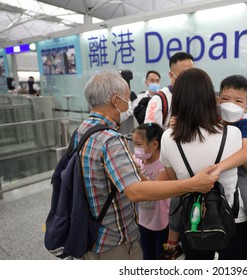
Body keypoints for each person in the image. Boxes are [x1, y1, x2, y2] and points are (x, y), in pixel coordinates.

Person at [76, 70, 218, 260]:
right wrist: (193, 184)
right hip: (113, 240)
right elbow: (136, 192)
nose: (129, 105)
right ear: (115, 101)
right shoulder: (110, 140)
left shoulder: (82, 130)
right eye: (127, 99)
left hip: (88, 231)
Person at [161, 74, 247, 260]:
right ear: (214, 100)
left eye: (238, 101)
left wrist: (220, 169)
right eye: (225, 99)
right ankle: (171, 244)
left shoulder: (240, 127)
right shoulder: (224, 128)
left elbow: (174, 179)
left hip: (196, 213)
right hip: (232, 217)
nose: (231, 104)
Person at [131, 123, 170, 260]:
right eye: (134, 144)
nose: (136, 149)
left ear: (154, 145)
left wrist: (138, 173)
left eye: (139, 144)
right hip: (143, 222)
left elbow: (154, 190)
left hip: (162, 224)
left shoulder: (164, 165)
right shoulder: (139, 160)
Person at [144, 52, 194, 129]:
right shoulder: (159, 99)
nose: (189, 77)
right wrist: (170, 131)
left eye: (192, 72)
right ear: (171, 75)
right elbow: (150, 132)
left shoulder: (198, 94)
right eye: (183, 73)